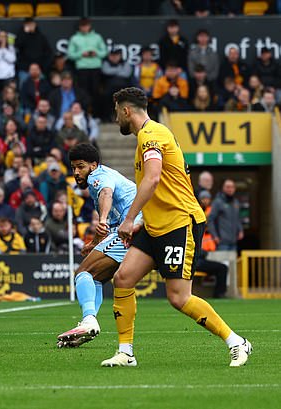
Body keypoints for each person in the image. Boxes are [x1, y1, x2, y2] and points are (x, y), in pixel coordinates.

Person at [101, 87, 251, 368]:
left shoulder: (151, 135)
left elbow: (154, 179)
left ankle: (237, 342)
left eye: (116, 112)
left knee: (179, 298)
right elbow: (164, 186)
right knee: (123, 279)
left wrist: (130, 218)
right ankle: (125, 352)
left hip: (179, 223)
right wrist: (144, 220)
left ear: (126, 110)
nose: (116, 118)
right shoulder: (149, 135)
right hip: (157, 224)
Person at [56, 143, 139, 348]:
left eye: (81, 167)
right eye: (73, 167)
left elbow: (106, 194)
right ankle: (89, 322)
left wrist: (101, 219)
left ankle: (89, 320)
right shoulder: (106, 175)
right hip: (137, 228)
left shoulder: (97, 177)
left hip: (133, 228)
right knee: (97, 278)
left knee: (83, 272)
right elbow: (110, 225)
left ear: (93, 165)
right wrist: (93, 243)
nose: (76, 172)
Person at [66, 17, 107, 112]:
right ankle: (83, 113)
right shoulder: (74, 38)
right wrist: (81, 54)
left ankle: (96, 114)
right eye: (82, 26)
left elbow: (104, 52)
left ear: (89, 26)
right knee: (83, 92)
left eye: (86, 26)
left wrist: (96, 53)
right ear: (79, 27)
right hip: (82, 69)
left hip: (95, 68)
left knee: (96, 92)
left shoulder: (97, 37)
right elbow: (70, 54)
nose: (84, 28)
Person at [207, 179, 243, 251]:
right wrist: (214, 236)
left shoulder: (236, 202)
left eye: (232, 187)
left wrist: (240, 230)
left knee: (232, 262)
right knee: (222, 262)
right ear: (223, 188)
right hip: (222, 243)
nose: (230, 189)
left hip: (234, 241)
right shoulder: (218, 202)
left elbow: (238, 218)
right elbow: (210, 220)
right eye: (228, 187)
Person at [14, 17, 52, 87]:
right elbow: (17, 46)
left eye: (31, 24)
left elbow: (48, 53)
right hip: (25, 70)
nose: (30, 26)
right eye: (28, 25)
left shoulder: (41, 37)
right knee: (23, 89)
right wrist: (25, 33)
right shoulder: (21, 36)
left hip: (39, 70)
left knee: (42, 89)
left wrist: (41, 67)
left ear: (35, 25)